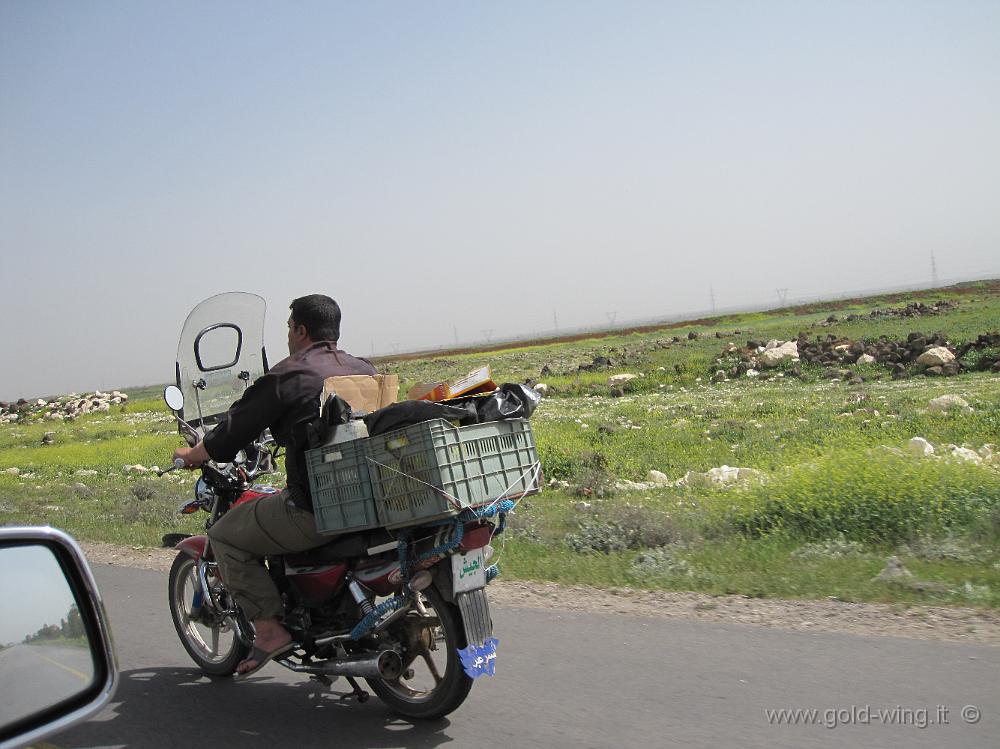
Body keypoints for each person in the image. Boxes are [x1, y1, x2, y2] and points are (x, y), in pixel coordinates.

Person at [173, 294, 376, 677]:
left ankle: (268, 630)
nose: (286, 335)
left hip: (316, 507)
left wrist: (193, 453)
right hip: (371, 499)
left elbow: (231, 433)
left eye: (288, 328)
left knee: (226, 534)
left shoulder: (290, 375)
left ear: (300, 330)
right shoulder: (364, 368)